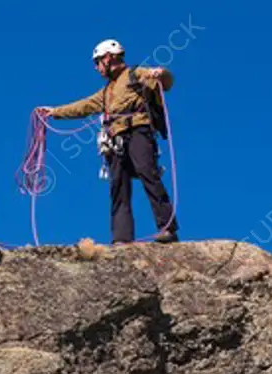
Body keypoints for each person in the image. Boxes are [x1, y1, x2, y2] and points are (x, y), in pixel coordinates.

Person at [39, 39, 179, 244]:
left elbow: (166, 83)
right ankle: (121, 238)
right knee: (118, 186)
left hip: (139, 130)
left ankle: (167, 227)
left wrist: (161, 73)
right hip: (115, 140)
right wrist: (55, 112)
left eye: (97, 63)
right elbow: (83, 106)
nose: (97, 68)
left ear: (108, 58)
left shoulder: (135, 74)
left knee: (148, 175)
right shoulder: (106, 92)